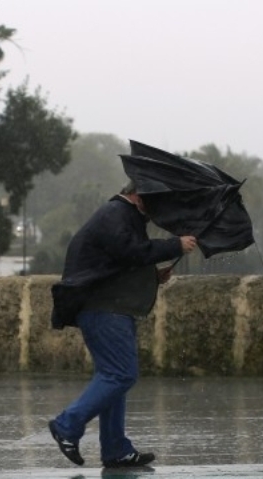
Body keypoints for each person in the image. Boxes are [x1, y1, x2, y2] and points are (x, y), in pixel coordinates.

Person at [48, 180, 197, 469]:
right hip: (104, 310)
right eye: (155, 200)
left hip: (107, 307)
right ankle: (67, 425)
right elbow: (132, 251)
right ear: (138, 195)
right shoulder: (115, 214)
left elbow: (115, 265)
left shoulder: (123, 216)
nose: (158, 209)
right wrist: (175, 245)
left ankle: (116, 450)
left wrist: (154, 277)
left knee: (113, 377)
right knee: (121, 374)